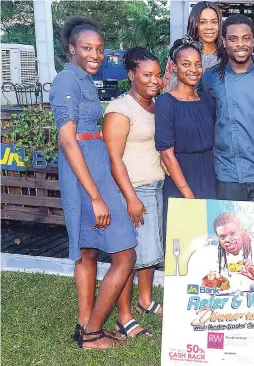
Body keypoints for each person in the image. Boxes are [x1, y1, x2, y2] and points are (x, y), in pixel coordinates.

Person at [49, 16, 137, 349]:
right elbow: (68, 140)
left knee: (87, 250)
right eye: (87, 48)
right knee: (125, 252)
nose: (95, 54)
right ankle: (93, 333)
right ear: (71, 48)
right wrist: (96, 196)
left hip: (92, 166)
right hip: (84, 174)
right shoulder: (66, 80)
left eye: (99, 49)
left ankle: (84, 323)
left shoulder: (84, 79)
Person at [103, 47, 165, 337]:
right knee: (129, 257)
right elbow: (114, 159)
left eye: (158, 74)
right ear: (131, 75)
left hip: (154, 186)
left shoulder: (156, 104)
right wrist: (131, 198)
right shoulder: (120, 109)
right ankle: (124, 317)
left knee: (148, 252)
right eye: (147, 75)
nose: (154, 80)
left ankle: (145, 300)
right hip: (133, 190)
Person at [201, 14, 254, 201]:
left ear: (253, 40)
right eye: (233, 39)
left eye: (246, 38)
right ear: (224, 42)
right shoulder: (210, 78)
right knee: (228, 229)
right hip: (226, 176)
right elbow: (205, 123)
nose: (240, 44)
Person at [155, 37, 217, 237]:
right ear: (174, 66)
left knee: (208, 239)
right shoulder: (165, 103)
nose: (193, 69)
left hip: (207, 175)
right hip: (179, 178)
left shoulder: (207, 100)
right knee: (183, 244)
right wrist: (188, 196)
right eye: (186, 64)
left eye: (198, 64)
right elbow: (167, 155)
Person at [187, 212, 254, 293]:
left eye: (232, 233)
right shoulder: (211, 254)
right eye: (223, 237)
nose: (228, 239)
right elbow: (193, 286)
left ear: (241, 231)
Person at [161, 1, 222, 93]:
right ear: (193, 23)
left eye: (214, 22)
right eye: (203, 22)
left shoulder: (227, 55)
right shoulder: (181, 52)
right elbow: (166, 90)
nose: (209, 27)